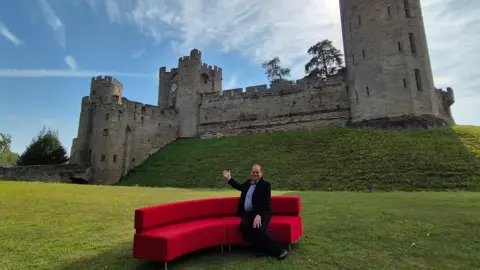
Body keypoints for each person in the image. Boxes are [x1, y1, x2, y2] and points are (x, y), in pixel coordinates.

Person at [222, 164, 289, 260]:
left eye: (257, 172)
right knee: (244, 226)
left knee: (260, 229)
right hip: (248, 213)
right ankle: (260, 248)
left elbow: (265, 203)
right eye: (253, 172)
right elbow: (239, 186)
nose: (255, 174)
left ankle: (280, 250)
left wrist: (259, 215)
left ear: (261, 173)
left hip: (263, 212)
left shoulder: (265, 185)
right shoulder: (249, 182)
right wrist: (229, 178)